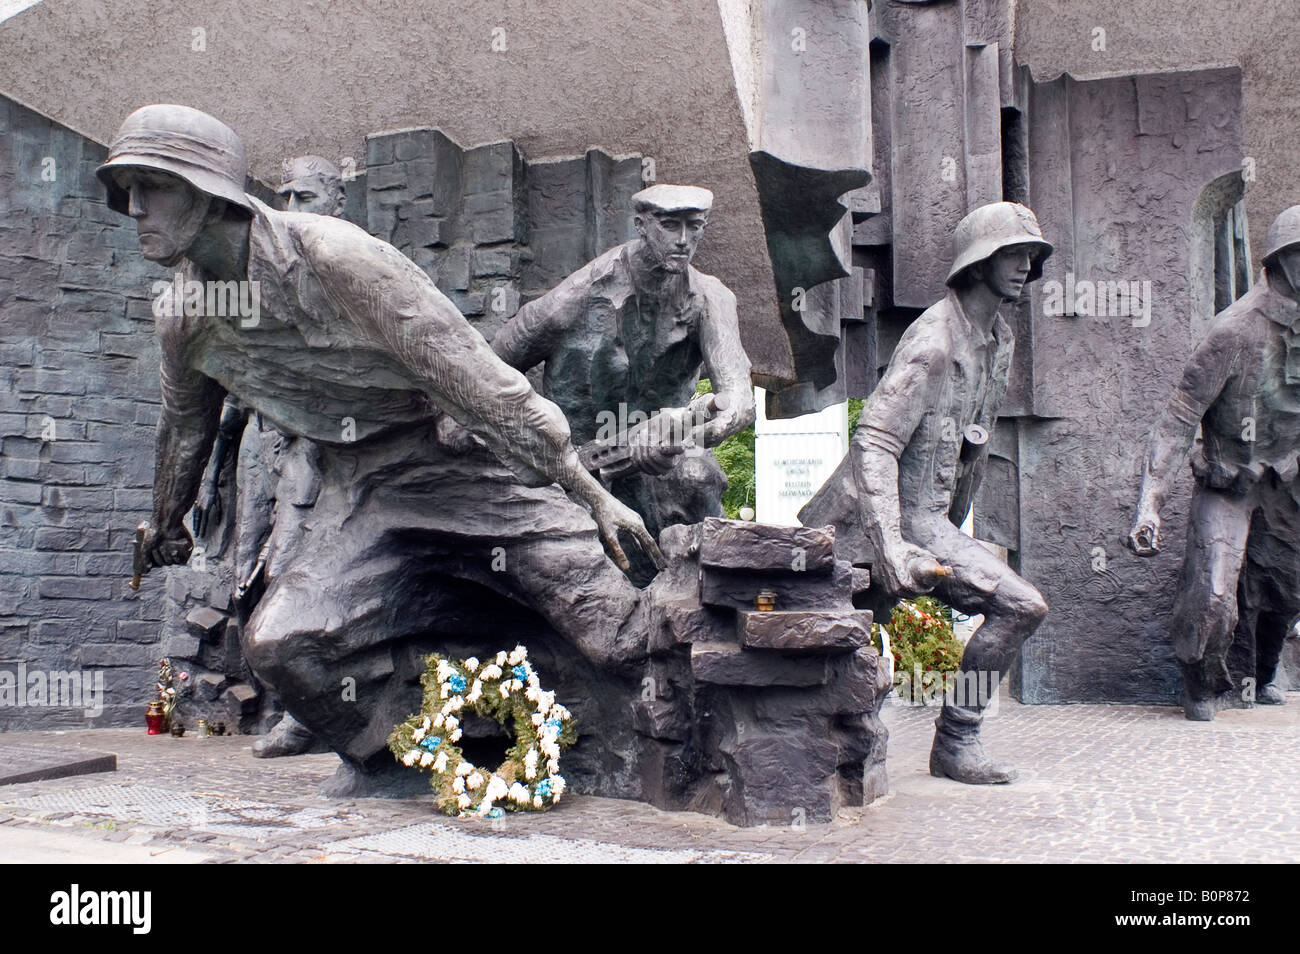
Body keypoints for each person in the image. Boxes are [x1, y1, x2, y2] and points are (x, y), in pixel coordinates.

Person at [99, 104, 662, 792]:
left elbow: (476, 378)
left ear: (204, 190)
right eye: (124, 190)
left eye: (150, 187)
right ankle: (416, 762)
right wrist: (166, 523)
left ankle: (626, 718)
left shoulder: (334, 256)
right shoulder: (183, 320)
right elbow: (185, 429)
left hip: (461, 463)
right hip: (357, 491)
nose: (133, 209)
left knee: (611, 629)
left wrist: (590, 493)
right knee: (282, 645)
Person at [801, 201, 1052, 784]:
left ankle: (952, 741)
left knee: (851, 651)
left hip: (928, 519)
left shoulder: (998, 339)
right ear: (979, 261)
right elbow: (876, 440)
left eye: (1030, 256)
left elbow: (970, 441)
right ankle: (951, 742)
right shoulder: (935, 342)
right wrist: (889, 542)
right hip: (874, 523)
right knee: (1022, 605)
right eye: (1012, 253)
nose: (1024, 266)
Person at [490, 185, 754, 553]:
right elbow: (490, 368)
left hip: (667, 454)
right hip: (577, 461)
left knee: (699, 477)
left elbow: (739, 398)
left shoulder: (712, 298)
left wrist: (693, 432)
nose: (682, 240)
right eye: (669, 224)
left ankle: (712, 590)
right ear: (641, 225)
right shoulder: (577, 296)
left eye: (694, 226)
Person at [1128, 206, 1300, 720]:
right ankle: (1200, 683)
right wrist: (1148, 505)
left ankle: (1265, 669)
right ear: (1285, 262)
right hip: (1229, 484)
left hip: (1289, 489)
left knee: (1288, 591)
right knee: (1213, 594)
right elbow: (1178, 419)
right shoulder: (1235, 331)